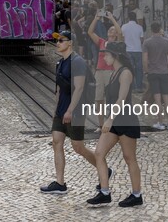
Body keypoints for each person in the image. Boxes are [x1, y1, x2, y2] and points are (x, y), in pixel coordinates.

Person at [86, 42, 143, 207]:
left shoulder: (125, 73)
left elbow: (121, 99)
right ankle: (104, 192)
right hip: (114, 121)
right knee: (99, 153)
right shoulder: (113, 73)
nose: (104, 57)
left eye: (107, 55)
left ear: (116, 56)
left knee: (129, 158)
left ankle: (136, 195)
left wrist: (109, 119)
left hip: (126, 120)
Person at [40, 30, 97, 194]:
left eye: (61, 40)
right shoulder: (60, 63)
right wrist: (56, 110)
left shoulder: (78, 62)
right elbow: (58, 89)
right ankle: (60, 183)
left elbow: (79, 88)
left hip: (76, 111)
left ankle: (103, 168)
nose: (57, 43)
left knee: (78, 147)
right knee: (57, 142)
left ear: (70, 42)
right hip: (61, 111)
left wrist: (70, 110)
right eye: (57, 41)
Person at [87, 10, 122, 130]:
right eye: (110, 29)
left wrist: (112, 19)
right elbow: (90, 32)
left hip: (111, 72)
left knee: (111, 98)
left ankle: (111, 122)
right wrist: (96, 18)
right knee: (99, 99)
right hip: (99, 71)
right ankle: (101, 125)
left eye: (113, 30)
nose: (111, 31)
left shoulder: (117, 43)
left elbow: (120, 31)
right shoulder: (102, 42)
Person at [143, 22, 168, 130]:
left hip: (153, 72)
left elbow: (145, 59)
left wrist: (147, 71)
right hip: (164, 72)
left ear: (151, 30)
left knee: (157, 99)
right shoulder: (167, 42)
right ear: (160, 29)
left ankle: (160, 122)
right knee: (166, 98)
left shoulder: (147, 43)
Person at [121, 12, 144, 92]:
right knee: (139, 69)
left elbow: (122, 38)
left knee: (130, 69)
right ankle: (139, 86)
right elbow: (141, 40)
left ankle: (132, 86)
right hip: (138, 50)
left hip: (128, 50)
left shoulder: (124, 27)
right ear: (135, 18)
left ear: (128, 18)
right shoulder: (139, 27)